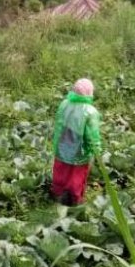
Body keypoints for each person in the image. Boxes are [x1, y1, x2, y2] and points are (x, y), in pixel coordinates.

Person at [50, 78, 102, 206]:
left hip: (62, 146)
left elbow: (59, 125)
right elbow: (92, 136)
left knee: (60, 172)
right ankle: (74, 201)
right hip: (79, 151)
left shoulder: (64, 104)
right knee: (76, 177)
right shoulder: (90, 111)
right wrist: (96, 151)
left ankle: (57, 195)